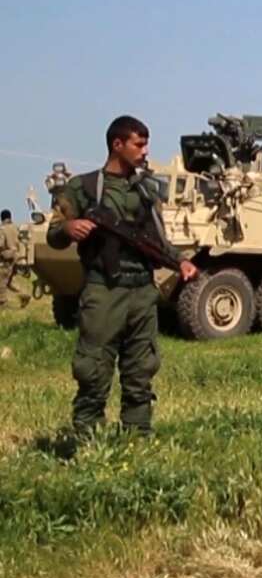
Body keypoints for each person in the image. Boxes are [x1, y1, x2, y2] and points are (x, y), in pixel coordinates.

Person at [47, 115, 198, 437]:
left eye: (146, 144)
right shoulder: (84, 188)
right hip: (105, 290)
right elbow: (53, 233)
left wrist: (180, 262)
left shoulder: (146, 190)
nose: (145, 151)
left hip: (142, 291)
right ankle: (87, 436)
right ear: (118, 145)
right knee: (93, 368)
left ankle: (137, 434)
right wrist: (68, 228)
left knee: (141, 368)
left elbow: (157, 241)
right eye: (139, 144)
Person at [0, 209, 21, 307]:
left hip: (6, 257)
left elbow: (0, 244)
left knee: (2, 280)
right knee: (9, 281)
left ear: (2, 218)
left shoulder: (2, 229)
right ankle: (23, 294)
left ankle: (2, 302)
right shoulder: (16, 228)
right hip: (17, 256)